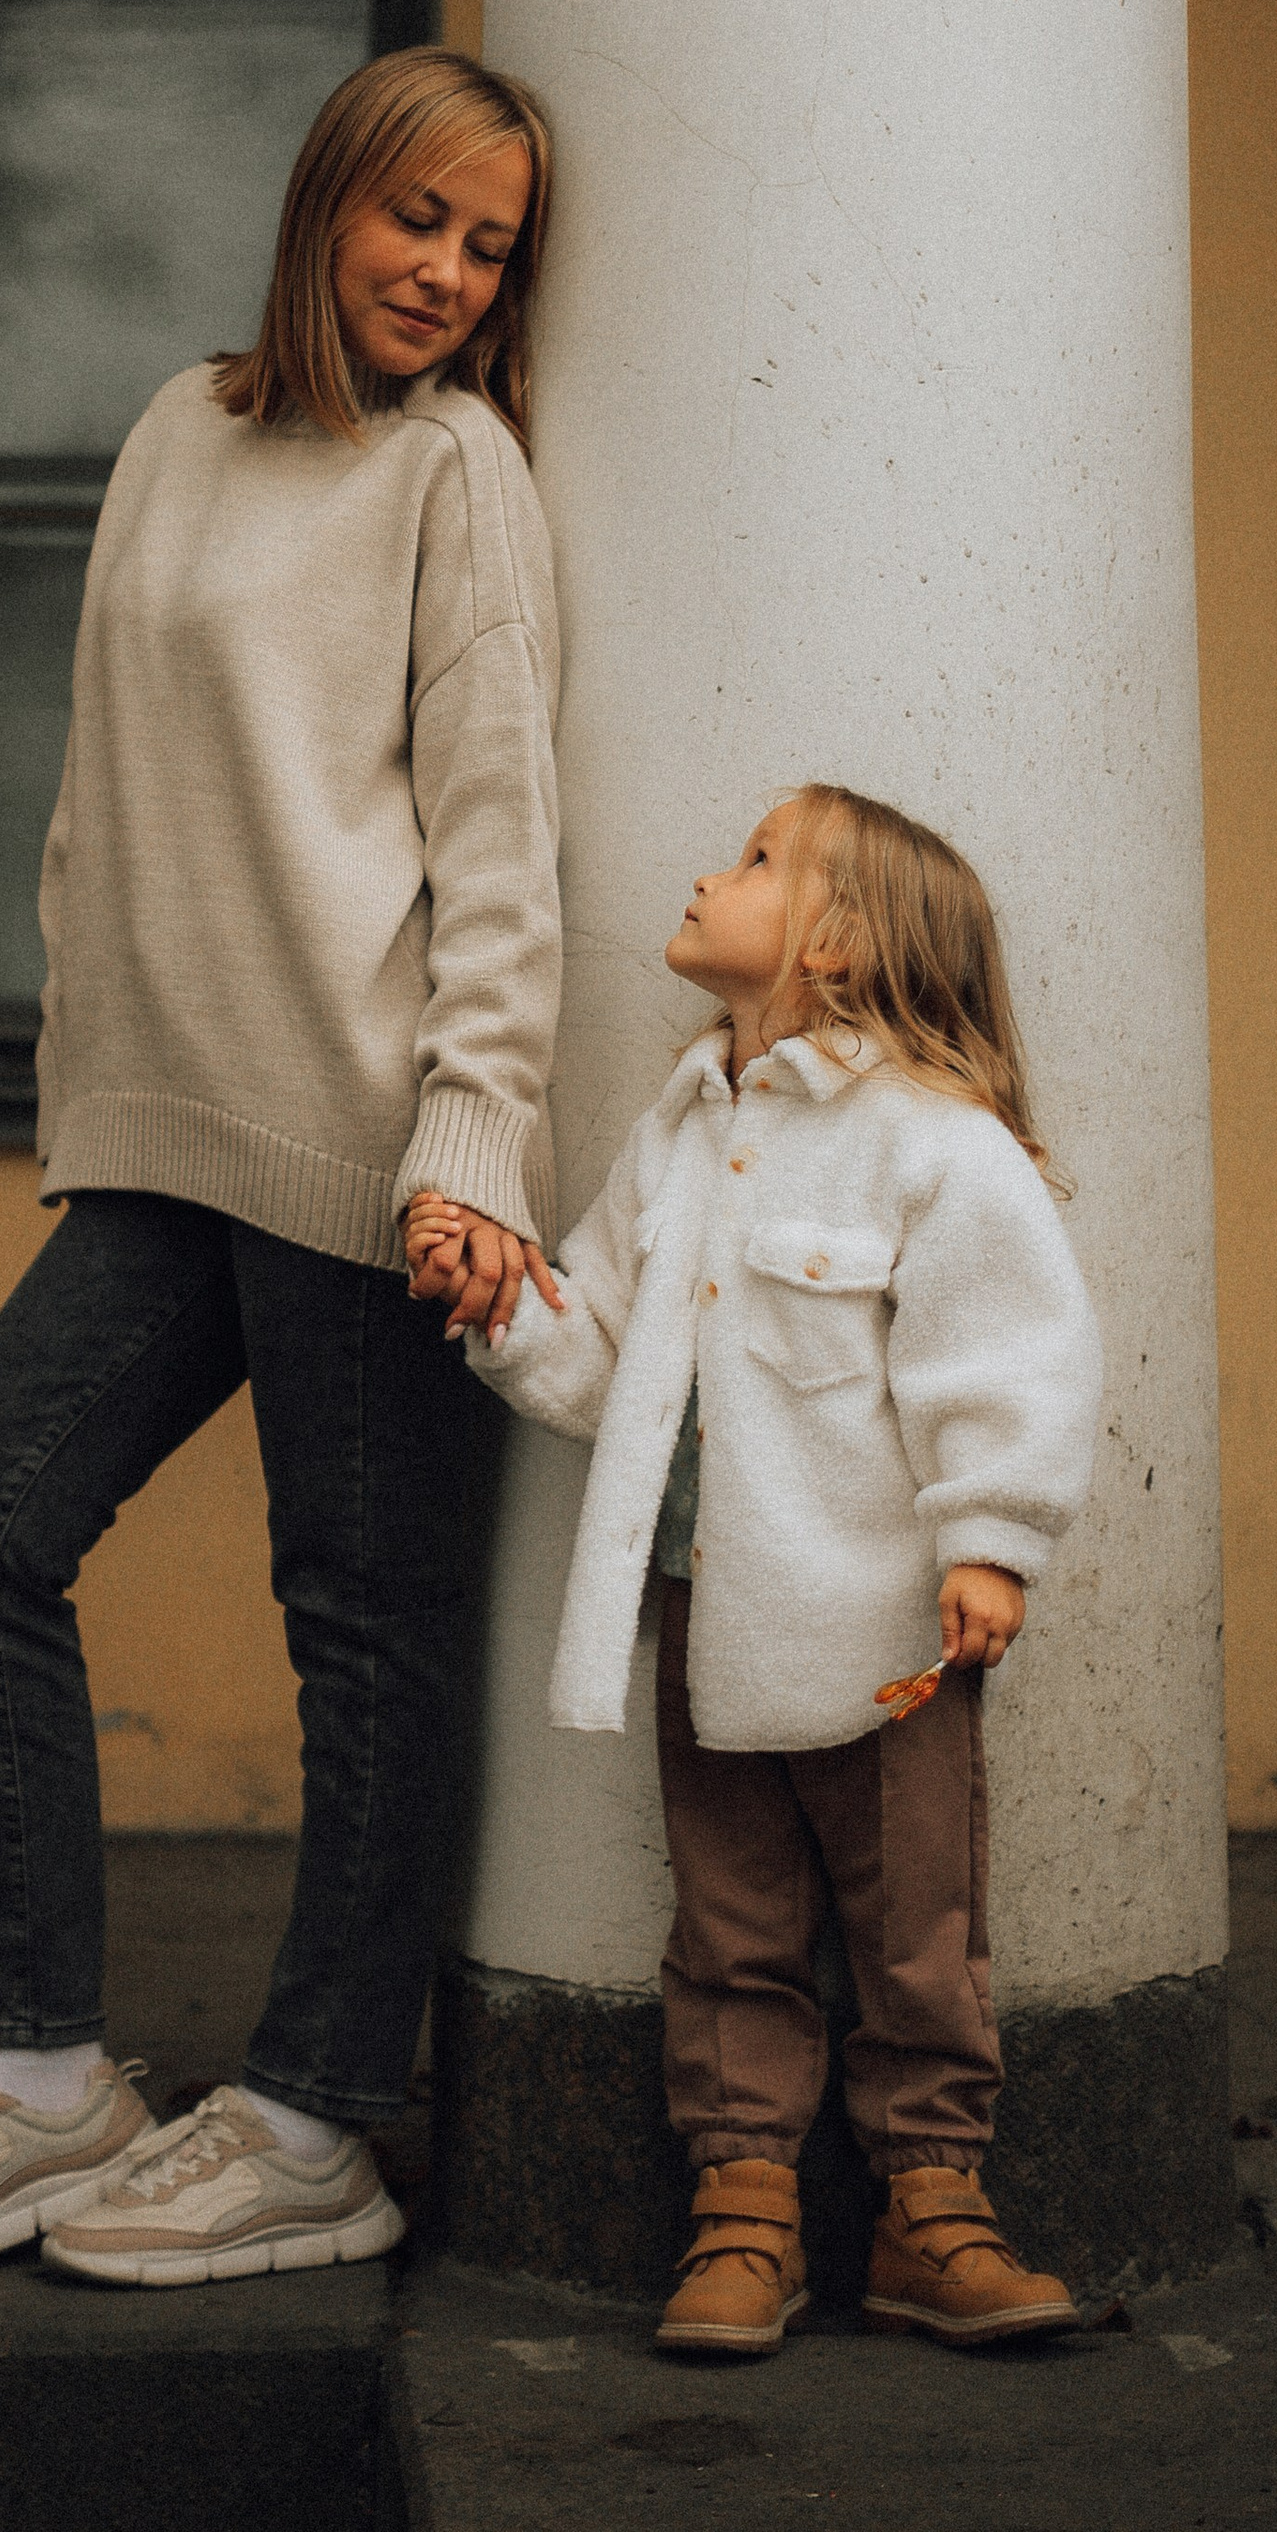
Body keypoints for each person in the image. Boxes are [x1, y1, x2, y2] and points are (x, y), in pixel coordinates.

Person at [0, 47, 564, 2286]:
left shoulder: (458, 478)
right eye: (414, 217)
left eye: (489, 244)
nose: (443, 271)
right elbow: (105, 794)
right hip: (162, 1135)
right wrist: (89, 1082)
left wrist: (470, 1135)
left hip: (357, 1142)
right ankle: (46, 2084)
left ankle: (315, 2121)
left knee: (362, 1639)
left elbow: (501, 846)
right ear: (325, 202)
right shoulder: (180, 427)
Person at [421, 784, 1102, 2354]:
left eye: (755, 863)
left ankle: (934, 2208)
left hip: (886, 1636)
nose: (708, 872)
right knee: (729, 1926)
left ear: (842, 946)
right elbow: (602, 1356)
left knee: (917, 1920)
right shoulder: (680, 1130)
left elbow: (1008, 1354)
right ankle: (745, 2215)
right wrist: (508, 1303)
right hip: (703, 1616)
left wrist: (991, 1544)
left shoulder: (929, 1145)